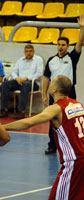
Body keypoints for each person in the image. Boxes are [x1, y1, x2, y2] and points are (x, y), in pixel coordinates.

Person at [4, 75, 84, 200]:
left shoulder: (56, 108)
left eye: (52, 82)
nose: (49, 84)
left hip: (74, 162)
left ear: (55, 89)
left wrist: (2, 127)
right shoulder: (78, 105)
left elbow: (29, 122)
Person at [43, 15, 84, 154]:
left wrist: (82, 28)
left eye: (63, 45)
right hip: (54, 94)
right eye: (59, 44)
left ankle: (72, 143)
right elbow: (46, 78)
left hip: (69, 93)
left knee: (70, 118)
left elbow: (79, 44)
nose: (60, 47)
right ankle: (52, 145)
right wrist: (44, 94)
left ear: (67, 46)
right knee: (51, 119)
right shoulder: (51, 60)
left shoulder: (72, 58)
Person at [0, 44, 44, 119]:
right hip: (19, 81)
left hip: (33, 83)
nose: (28, 53)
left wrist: (26, 78)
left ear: (33, 51)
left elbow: (39, 73)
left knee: (25, 85)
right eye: (26, 51)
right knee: (5, 84)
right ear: (24, 52)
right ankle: (4, 109)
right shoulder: (20, 60)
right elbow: (13, 71)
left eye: (30, 51)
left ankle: (21, 111)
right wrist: (17, 78)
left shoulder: (38, 59)